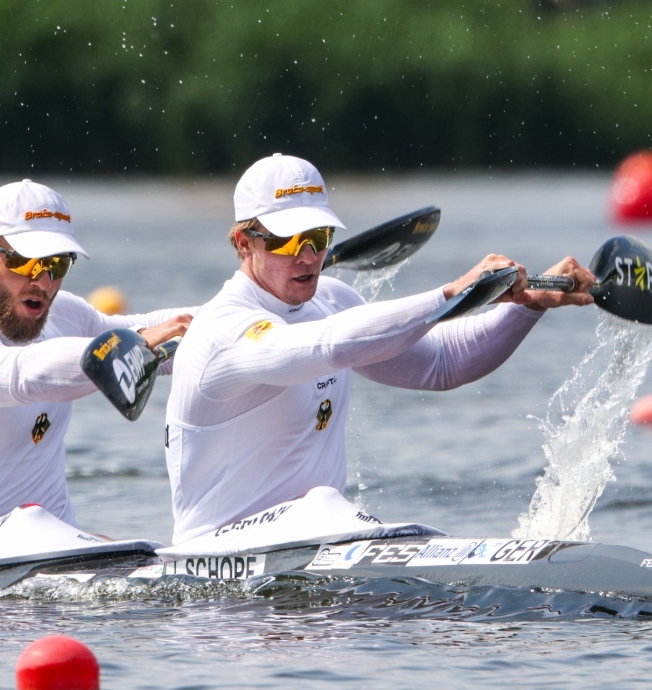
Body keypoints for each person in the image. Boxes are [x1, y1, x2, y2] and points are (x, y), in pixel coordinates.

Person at [164, 153, 595, 544]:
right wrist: (451, 293)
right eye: (288, 240)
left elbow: (442, 364)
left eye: (319, 235)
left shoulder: (331, 301)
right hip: (220, 578)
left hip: (315, 554)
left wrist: (528, 307)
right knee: (324, 504)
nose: (309, 256)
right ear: (244, 243)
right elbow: (326, 346)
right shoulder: (223, 329)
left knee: (325, 505)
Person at [0, 179, 191, 554]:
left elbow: (162, 330)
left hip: (59, 568)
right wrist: (136, 343)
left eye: (57, 263)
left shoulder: (65, 315)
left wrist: (247, 323)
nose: (44, 281)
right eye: (25, 262)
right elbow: (21, 376)